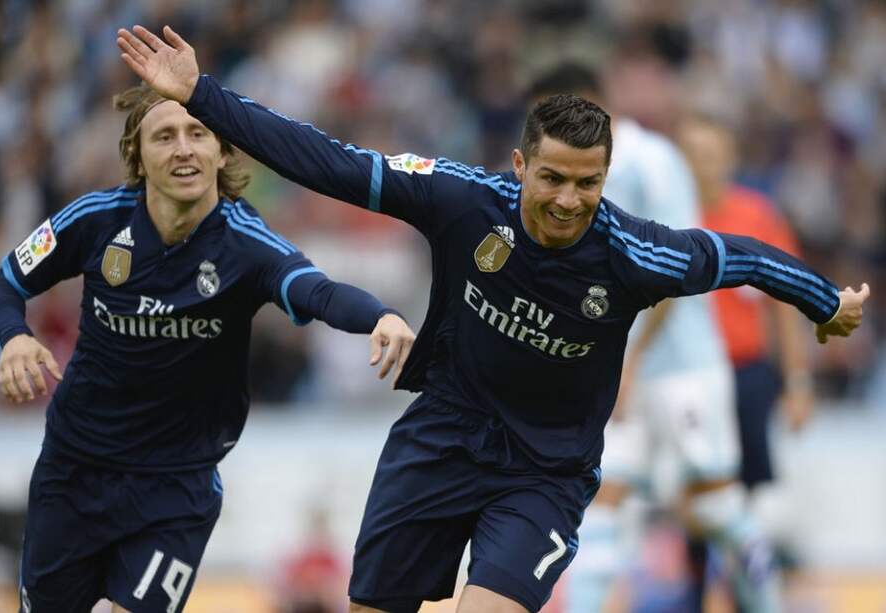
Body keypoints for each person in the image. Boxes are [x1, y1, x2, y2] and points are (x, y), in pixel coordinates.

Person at [116, 25, 869, 613]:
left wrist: (826, 303)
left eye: (587, 184)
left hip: (545, 472)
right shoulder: (461, 198)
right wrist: (204, 98)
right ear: (519, 165)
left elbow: (743, 255)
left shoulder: (636, 253)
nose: (569, 200)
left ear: (605, 178)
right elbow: (329, 162)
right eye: (552, 179)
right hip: (441, 435)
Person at [0, 82, 415, 613]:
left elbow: (316, 290)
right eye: (164, 136)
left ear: (222, 151)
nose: (184, 148)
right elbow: (6, 283)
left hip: (175, 490)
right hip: (72, 475)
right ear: (137, 156)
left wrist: (381, 315)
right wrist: (15, 337)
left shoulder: (246, 243)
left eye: (199, 133)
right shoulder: (96, 220)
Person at [528, 63, 780, 612]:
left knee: (716, 508)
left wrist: (629, 362)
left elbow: (675, 269)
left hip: (682, 365)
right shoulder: (571, 175)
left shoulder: (651, 160)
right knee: (603, 503)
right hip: (619, 371)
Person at [677, 112, 818, 601]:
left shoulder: (756, 215)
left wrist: (797, 381)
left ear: (729, 159)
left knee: (745, 499)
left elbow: (787, 304)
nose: (702, 165)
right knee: (694, 496)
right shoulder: (670, 219)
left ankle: (744, 598)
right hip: (688, 378)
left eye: (711, 154)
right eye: (693, 155)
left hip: (745, 376)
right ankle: (695, 592)